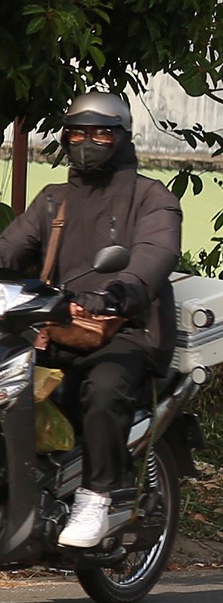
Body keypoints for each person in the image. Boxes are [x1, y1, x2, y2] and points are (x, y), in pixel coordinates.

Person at [0, 93, 184, 548]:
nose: (87, 142)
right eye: (77, 133)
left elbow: (155, 254)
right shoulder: (52, 201)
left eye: (101, 132)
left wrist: (123, 291)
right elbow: (8, 249)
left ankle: (100, 495)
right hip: (57, 327)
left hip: (127, 332)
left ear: (121, 138)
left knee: (102, 390)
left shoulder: (151, 198)